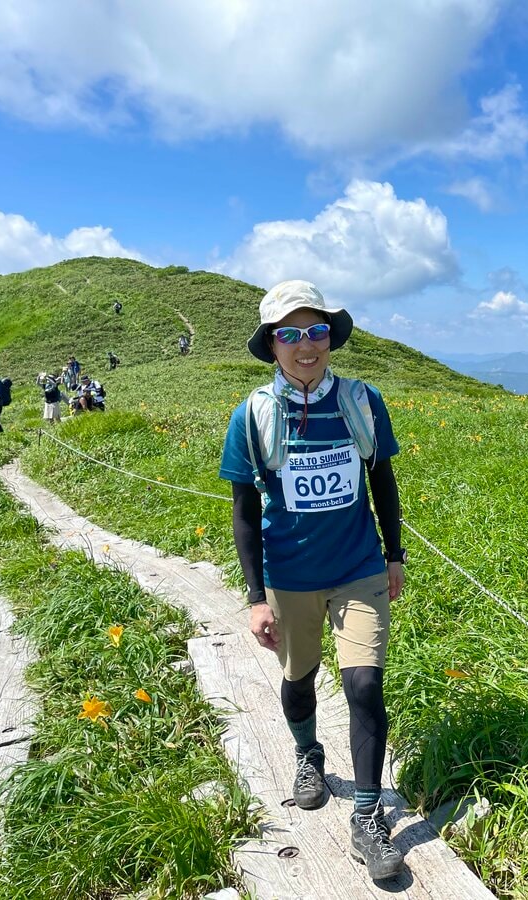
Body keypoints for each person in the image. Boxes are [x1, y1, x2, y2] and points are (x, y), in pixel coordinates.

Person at [219, 280, 406, 881]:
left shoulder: (361, 401)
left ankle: (369, 816)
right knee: (299, 680)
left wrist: (394, 554)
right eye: (291, 334)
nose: (307, 346)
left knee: (363, 685)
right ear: (272, 344)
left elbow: (381, 480)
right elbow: (245, 511)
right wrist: (255, 599)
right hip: (290, 576)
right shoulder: (252, 416)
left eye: (317, 331)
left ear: (332, 338)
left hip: (359, 569)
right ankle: (308, 755)